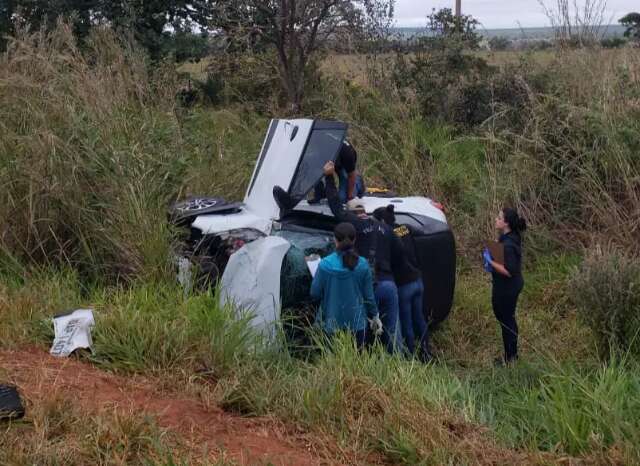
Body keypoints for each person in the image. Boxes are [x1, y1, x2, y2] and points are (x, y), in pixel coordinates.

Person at [322, 162, 400, 354]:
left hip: (368, 288)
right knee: (391, 332)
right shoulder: (386, 229)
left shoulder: (353, 225)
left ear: (351, 214)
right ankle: (398, 368)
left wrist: (329, 177)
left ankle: (368, 370)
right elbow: (400, 254)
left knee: (364, 333)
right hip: (389, 286)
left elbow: (335, 207)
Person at [374, 205, 432, 362]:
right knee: (419, 318)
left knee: (406, 322)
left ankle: (411, 356)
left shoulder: (387, 235)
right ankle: (427, 351)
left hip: (404, 284)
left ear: (380, 221)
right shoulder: (404, 228)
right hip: (417, 279)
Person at [310, 222, 382, 348]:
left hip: (331, 325)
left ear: (334, 239)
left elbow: (314, 293)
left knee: (333, 365)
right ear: (354, 239)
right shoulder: (363, 265)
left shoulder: (324, 265)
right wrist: (375, 316)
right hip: (358, 325)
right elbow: (369, 298)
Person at [483, 207, 527, 365]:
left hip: (508, 288)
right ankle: (511, 355)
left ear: (506, 223)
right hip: (509, 285)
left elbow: (509, 271)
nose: (496, 219)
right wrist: (494, 250)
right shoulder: (510, 236)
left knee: (506, 320)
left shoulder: (509, 244)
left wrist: (490, 262)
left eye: (499, 217)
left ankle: (511, 358)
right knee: (507, 319)